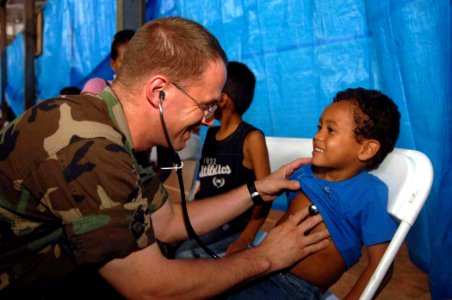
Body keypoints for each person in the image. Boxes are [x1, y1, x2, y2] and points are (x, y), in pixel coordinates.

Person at [0, 17, 329, 299]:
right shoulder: (88, 144)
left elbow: (169, 223)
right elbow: (150, 289)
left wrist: (257, 189)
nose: (210, 121)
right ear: (159, 92)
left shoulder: (116, 133)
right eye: (206, 105)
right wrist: (266, 258)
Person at [227, 87, 401, 299]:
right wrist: (247, 237)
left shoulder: (369, 192)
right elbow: (265, 199)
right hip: (256, 263)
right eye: (319, 127)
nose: (317, 136)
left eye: (330, 130)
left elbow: (382, 266)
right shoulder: (304, 172)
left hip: (293, 289)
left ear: (366, 149)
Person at [176, 61, 272, 258]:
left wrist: (247, 237)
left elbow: (266, 195)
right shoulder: (211, 135)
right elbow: (205, 183)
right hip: (205, 215)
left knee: (184, 256)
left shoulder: (251, 138)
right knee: (164, 242)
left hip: (231, 222)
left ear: (223, 100)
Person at [81, 29, 135, 95]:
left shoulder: (148, 94)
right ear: (113, 64)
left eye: (137, 60)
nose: (132, 65)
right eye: (125, 61)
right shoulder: (98, 87)